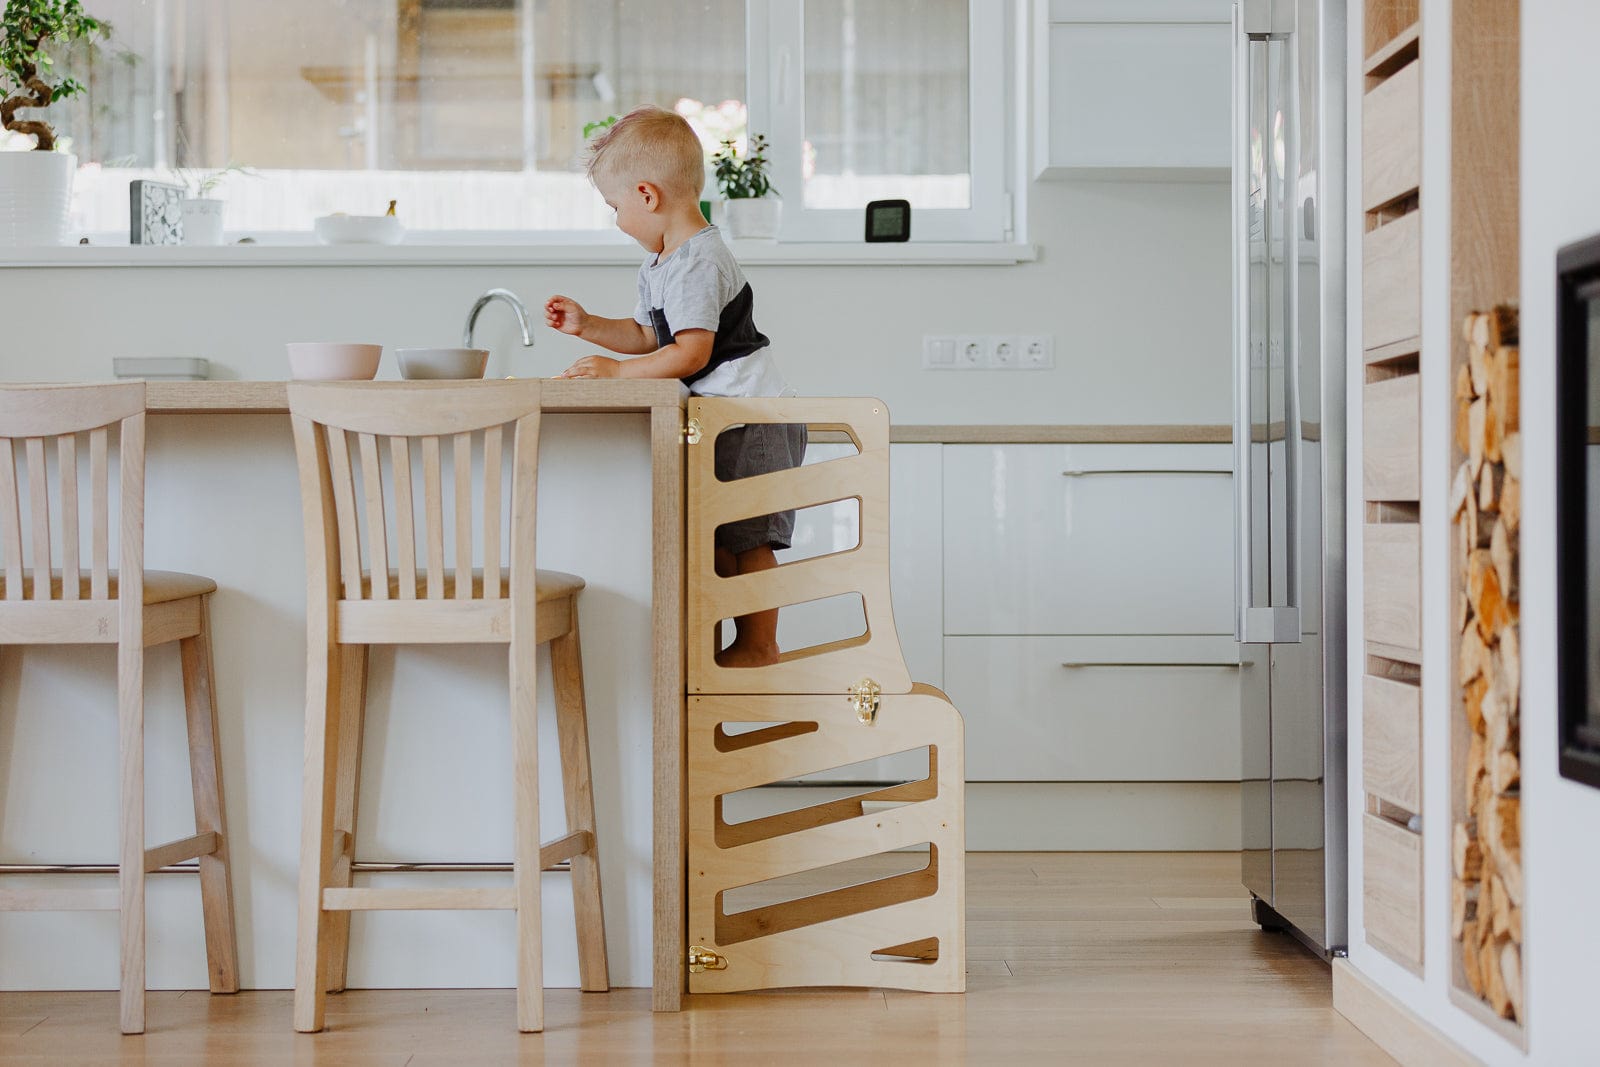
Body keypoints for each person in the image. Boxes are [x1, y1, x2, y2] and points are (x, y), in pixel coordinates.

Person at [544, 105, 803, 668]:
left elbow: (691, 352)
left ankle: (760, 644)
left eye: (614, 208)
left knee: (750, 537)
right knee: (716, 535)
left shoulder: (699, 261)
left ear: (646, 194)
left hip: (749, 416)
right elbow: (647, 337)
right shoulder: (663, 263)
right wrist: (589, 325)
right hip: (721, 419)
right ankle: (718, 642)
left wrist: (614, 374)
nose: (616, 220)